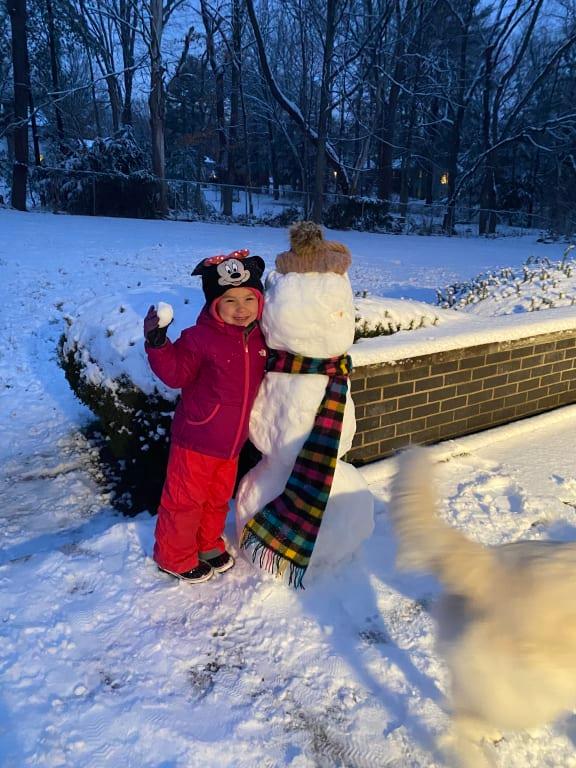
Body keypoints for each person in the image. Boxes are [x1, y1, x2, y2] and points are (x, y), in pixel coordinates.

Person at [144, 249, 267, 584]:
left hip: (231, 443)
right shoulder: (201, 338)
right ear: (214, 304)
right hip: (197, 439)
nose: (241, 309)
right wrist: (158, 343)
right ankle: (174, 556)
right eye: (230, 300)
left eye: (248, 299)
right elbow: (175, 374)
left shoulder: (261, 340)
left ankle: (207, 543)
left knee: (215, 500)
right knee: (185, 501)